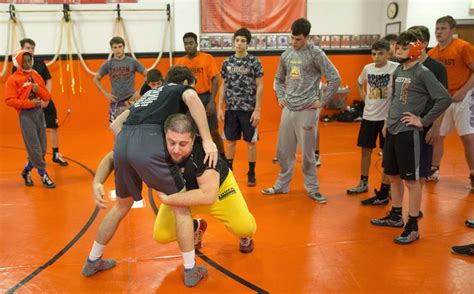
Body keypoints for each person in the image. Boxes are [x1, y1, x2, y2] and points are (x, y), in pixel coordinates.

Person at [82, 66, 218, 287]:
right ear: (185, 81)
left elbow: (115, 125)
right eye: (190, 84)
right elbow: (192, 96)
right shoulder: (179, 89)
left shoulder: (147, 97)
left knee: (121, 206)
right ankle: (191, 270)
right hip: (150, 139)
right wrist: (207, 139)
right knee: (181, 207)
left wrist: (133, 148)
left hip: (125, 140)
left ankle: (92, 260)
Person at [370, 31, 452, 244]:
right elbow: (395, 99)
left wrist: (423, 121)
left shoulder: (422, 72)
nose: (398, 51)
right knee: (394, 176)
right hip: (394, 131)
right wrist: (388, 121)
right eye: (398, 47)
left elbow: (444, 98)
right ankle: (396, 215)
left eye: (404, 48)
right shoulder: (398, 70)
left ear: (416, 49)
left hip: (409, 133)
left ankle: (413, 225)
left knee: (412, 181)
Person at [153, 113, 257, 259]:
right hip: (184, 194)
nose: (176, 149)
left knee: (245, 228)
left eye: (183, 144)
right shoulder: (157, 149)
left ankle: (245, 235)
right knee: (161, 235)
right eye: (171, 142)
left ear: (193, 139)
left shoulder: (205, 153)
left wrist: (167, 199)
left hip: (215, 191)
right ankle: (195, 227)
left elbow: (208, 196)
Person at [262, 18, 341, 203]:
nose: (293, 42)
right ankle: (282, 185)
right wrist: (280, 97)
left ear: (306, 37)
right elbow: (278, 78)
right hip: (288, 108)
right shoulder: (286, 54)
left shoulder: (316, 54)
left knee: (307, 154)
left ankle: (312, 189)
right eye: (292, 38)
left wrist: (321, 102)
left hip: (307, 109)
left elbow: (334, 78)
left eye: (297, 39)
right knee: (283, 150)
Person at [347, 39, 398, 205]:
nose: (376, 57)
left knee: (387, 154)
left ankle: (386, 187)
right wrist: (363, 96)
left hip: (386, 119)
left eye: (380, 53)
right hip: (369, 116)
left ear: (388, 53)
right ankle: (363, 182)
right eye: (374, 53)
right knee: (365, 150)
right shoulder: (367, 68)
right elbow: (359, 82)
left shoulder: (394, 68)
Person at [426, 16, 474, 192]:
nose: (439, 32)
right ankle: (434, 169)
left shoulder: (463, 47)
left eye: (443, 28)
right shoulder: (432, 54)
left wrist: (463, 90)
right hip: (443, 99)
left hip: (464, 96)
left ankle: (473, 173)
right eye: (437, 28)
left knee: (468, 138)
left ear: (452, 30)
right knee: (437, 135)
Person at [218, 27, 264, 187]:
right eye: (237, 40)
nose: (239, 43)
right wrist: (219, 108)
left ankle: (251, 172)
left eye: (243, 41)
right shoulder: (227, 62)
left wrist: (257, 110)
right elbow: (223, 85)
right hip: (231, 109)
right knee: (230, 142)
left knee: (251, 143)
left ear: (248, 44)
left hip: (249, 110)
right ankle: (229, 171)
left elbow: (260, 86)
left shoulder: (254, 62)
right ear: (233, 42)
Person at [13, 38, 68, 166]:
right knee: (33, 132)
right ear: (22, 49)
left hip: (45, 100)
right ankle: (32, 159)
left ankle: (56, 154)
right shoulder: (17, 67)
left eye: (32, 48)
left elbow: (48, 80)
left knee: (54, 126)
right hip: (30, 105)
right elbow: (17, 88)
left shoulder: (39, 63)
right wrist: (29, 102)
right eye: (28, 48)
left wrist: (46, 97)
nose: (31, 50)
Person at [5, 50, 55, 188]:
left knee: (43, 148)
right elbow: (9, 100)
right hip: (26, 116)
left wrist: (37, 88)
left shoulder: (36, 75)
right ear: (18, 63)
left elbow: (46, 96)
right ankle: (43, 174)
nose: (27, 63)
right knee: (34, 147)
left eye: (29, 60)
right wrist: (30, 103)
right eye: (24, 61)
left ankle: (27, 170)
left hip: (39, 113)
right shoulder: (13, 79)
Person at [175, 32, 225, 157]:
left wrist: (212, 101)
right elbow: (175, 82)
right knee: (189, 131)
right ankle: (193, 157)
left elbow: (215, 79)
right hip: (187, 99)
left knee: (213, 131)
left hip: (204, 97)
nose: (188, 46)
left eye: (191, 43)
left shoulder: (207, 58)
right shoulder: (180, 62)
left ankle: (224, 158)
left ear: (197, 43)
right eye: (186, 44)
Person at [93, 36, 147, 123]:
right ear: (112, 49)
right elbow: (95, 79)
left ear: (123, 47)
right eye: (115, 47)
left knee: (132, 127)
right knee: (115, 128)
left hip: (130, 100)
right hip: (116, 101)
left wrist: (139, 91)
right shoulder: (108, 64)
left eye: (120, 47)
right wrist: (106, 93)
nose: (118, 50)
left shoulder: (132, 62)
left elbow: (148, 75)